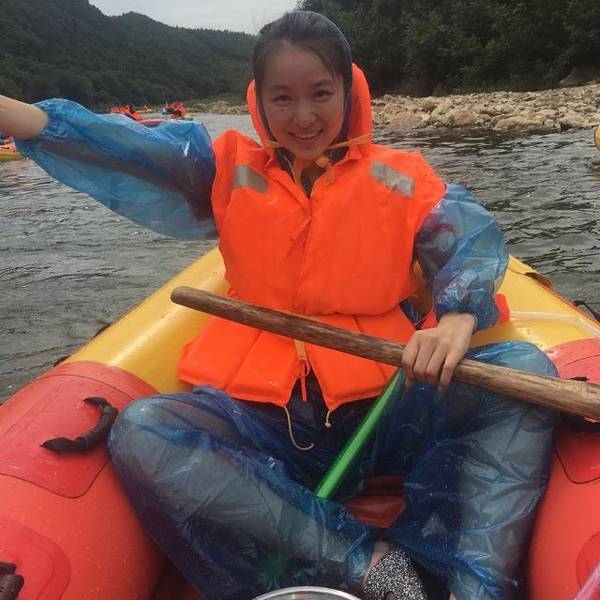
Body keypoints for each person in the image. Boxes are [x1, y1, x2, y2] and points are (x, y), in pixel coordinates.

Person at [0, 11, 557, 600]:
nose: (304, 116)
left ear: (348, 90)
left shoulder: (404, 177)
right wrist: (15, 114)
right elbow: (118, 146)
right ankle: (370, 566)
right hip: (267, 421)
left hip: (385, 407)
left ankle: (472, 586)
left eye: (321, 93)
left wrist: (457, 317)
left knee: (524, 371)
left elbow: (468, 242)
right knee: (144, 429)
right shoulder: (221, 166)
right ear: (259, 101)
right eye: (283, 98)